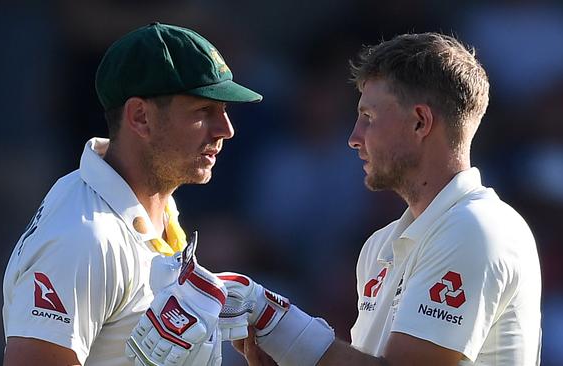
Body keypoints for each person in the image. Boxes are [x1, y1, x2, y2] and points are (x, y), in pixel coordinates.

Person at [216, 32, 542, 366]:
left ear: (420, 122)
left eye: (368, 117)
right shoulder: (381, 244)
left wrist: (278, 322)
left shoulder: (474, 228)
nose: (353, 138)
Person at [2, 22, 262, 366]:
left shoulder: (155, 203)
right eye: (204, 111)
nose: (226, 130)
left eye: (224, 111)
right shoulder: (85, 239)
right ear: (140, 117)